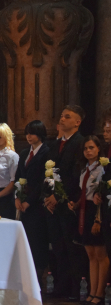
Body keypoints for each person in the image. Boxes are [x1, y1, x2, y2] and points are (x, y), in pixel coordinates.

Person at [45, 105, 86, 300]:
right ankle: (60, 287)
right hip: (53, 204)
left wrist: (59, 196)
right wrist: (48, 196)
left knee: (71, 248)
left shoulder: (80, 143)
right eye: (61, 116)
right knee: (58, 248)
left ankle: (74, 289)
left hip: (68, 202)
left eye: (67, 117)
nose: (62, 119)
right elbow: (49, 172)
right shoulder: (55, 144)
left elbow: (75, 175)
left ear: (77, 122)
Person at [68, 136, 108, 305]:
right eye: (86, 148)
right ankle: (91, 291)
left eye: (91, 147)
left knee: (100, 253)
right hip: (85, 210)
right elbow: (85, 192)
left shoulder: (104, 169)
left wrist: (98, 218)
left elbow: (102, 193)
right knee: (90, 254)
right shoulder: (85, 169)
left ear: (99, 149)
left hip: (97, 211)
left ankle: (100, 293)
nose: (88, 151)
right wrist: (76, 204)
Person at [14, 120, 50, 280]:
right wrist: (17, 197)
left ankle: (39, 271)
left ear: (40, 134)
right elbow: (19, 177)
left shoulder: (46, 152)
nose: (28, 136)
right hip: (23, 202)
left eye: (32, 133)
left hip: (37, 204)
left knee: (38, 239)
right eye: (27, 133)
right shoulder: (24, 153)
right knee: (26, 237)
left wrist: (29, 201)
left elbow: (42, 181)